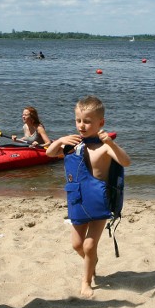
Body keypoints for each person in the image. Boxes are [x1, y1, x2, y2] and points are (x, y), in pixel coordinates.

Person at [45, 96, 131, 297]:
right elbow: (49, 153)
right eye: (78, 120)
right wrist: (59, 140)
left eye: (87, 121)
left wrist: (111, 142)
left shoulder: (104, 147)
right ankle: (92, 260)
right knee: (77, 244)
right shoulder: (72, 145)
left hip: (99, 202)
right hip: (77, 199)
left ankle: (86, 281)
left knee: (89, 244)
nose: (81, 126)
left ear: (101, 123)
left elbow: (126, 162)